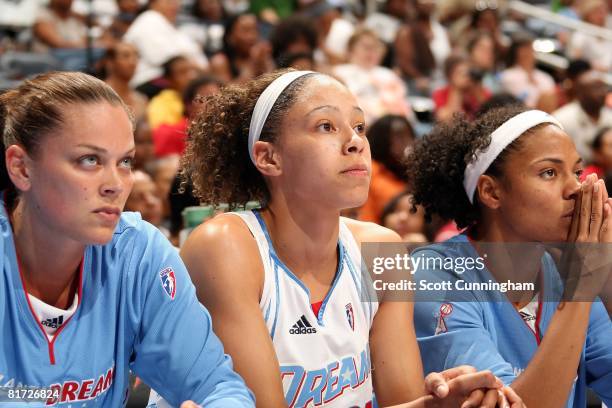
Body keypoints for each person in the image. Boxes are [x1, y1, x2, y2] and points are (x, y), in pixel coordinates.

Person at [150, 69, 523, 407]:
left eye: (359, 127)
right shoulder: (225, 246)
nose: (354, 142)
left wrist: (441, 404)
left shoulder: (381, 250)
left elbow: (401, 401)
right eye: (326, 126)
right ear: (268, 157)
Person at [0, 71, 254, 407]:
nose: (116, 184)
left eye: (124, 162)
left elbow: (217, 386)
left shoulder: (140, 253)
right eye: (89, 160)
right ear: (21, 168)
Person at [407, 106, 612, 407]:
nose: (576, 188)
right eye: (549, 172)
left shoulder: (563, 270)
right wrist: (581, 289)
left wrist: (606, 283)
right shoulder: (434, 275)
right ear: (491, 192)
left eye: (577, 172)